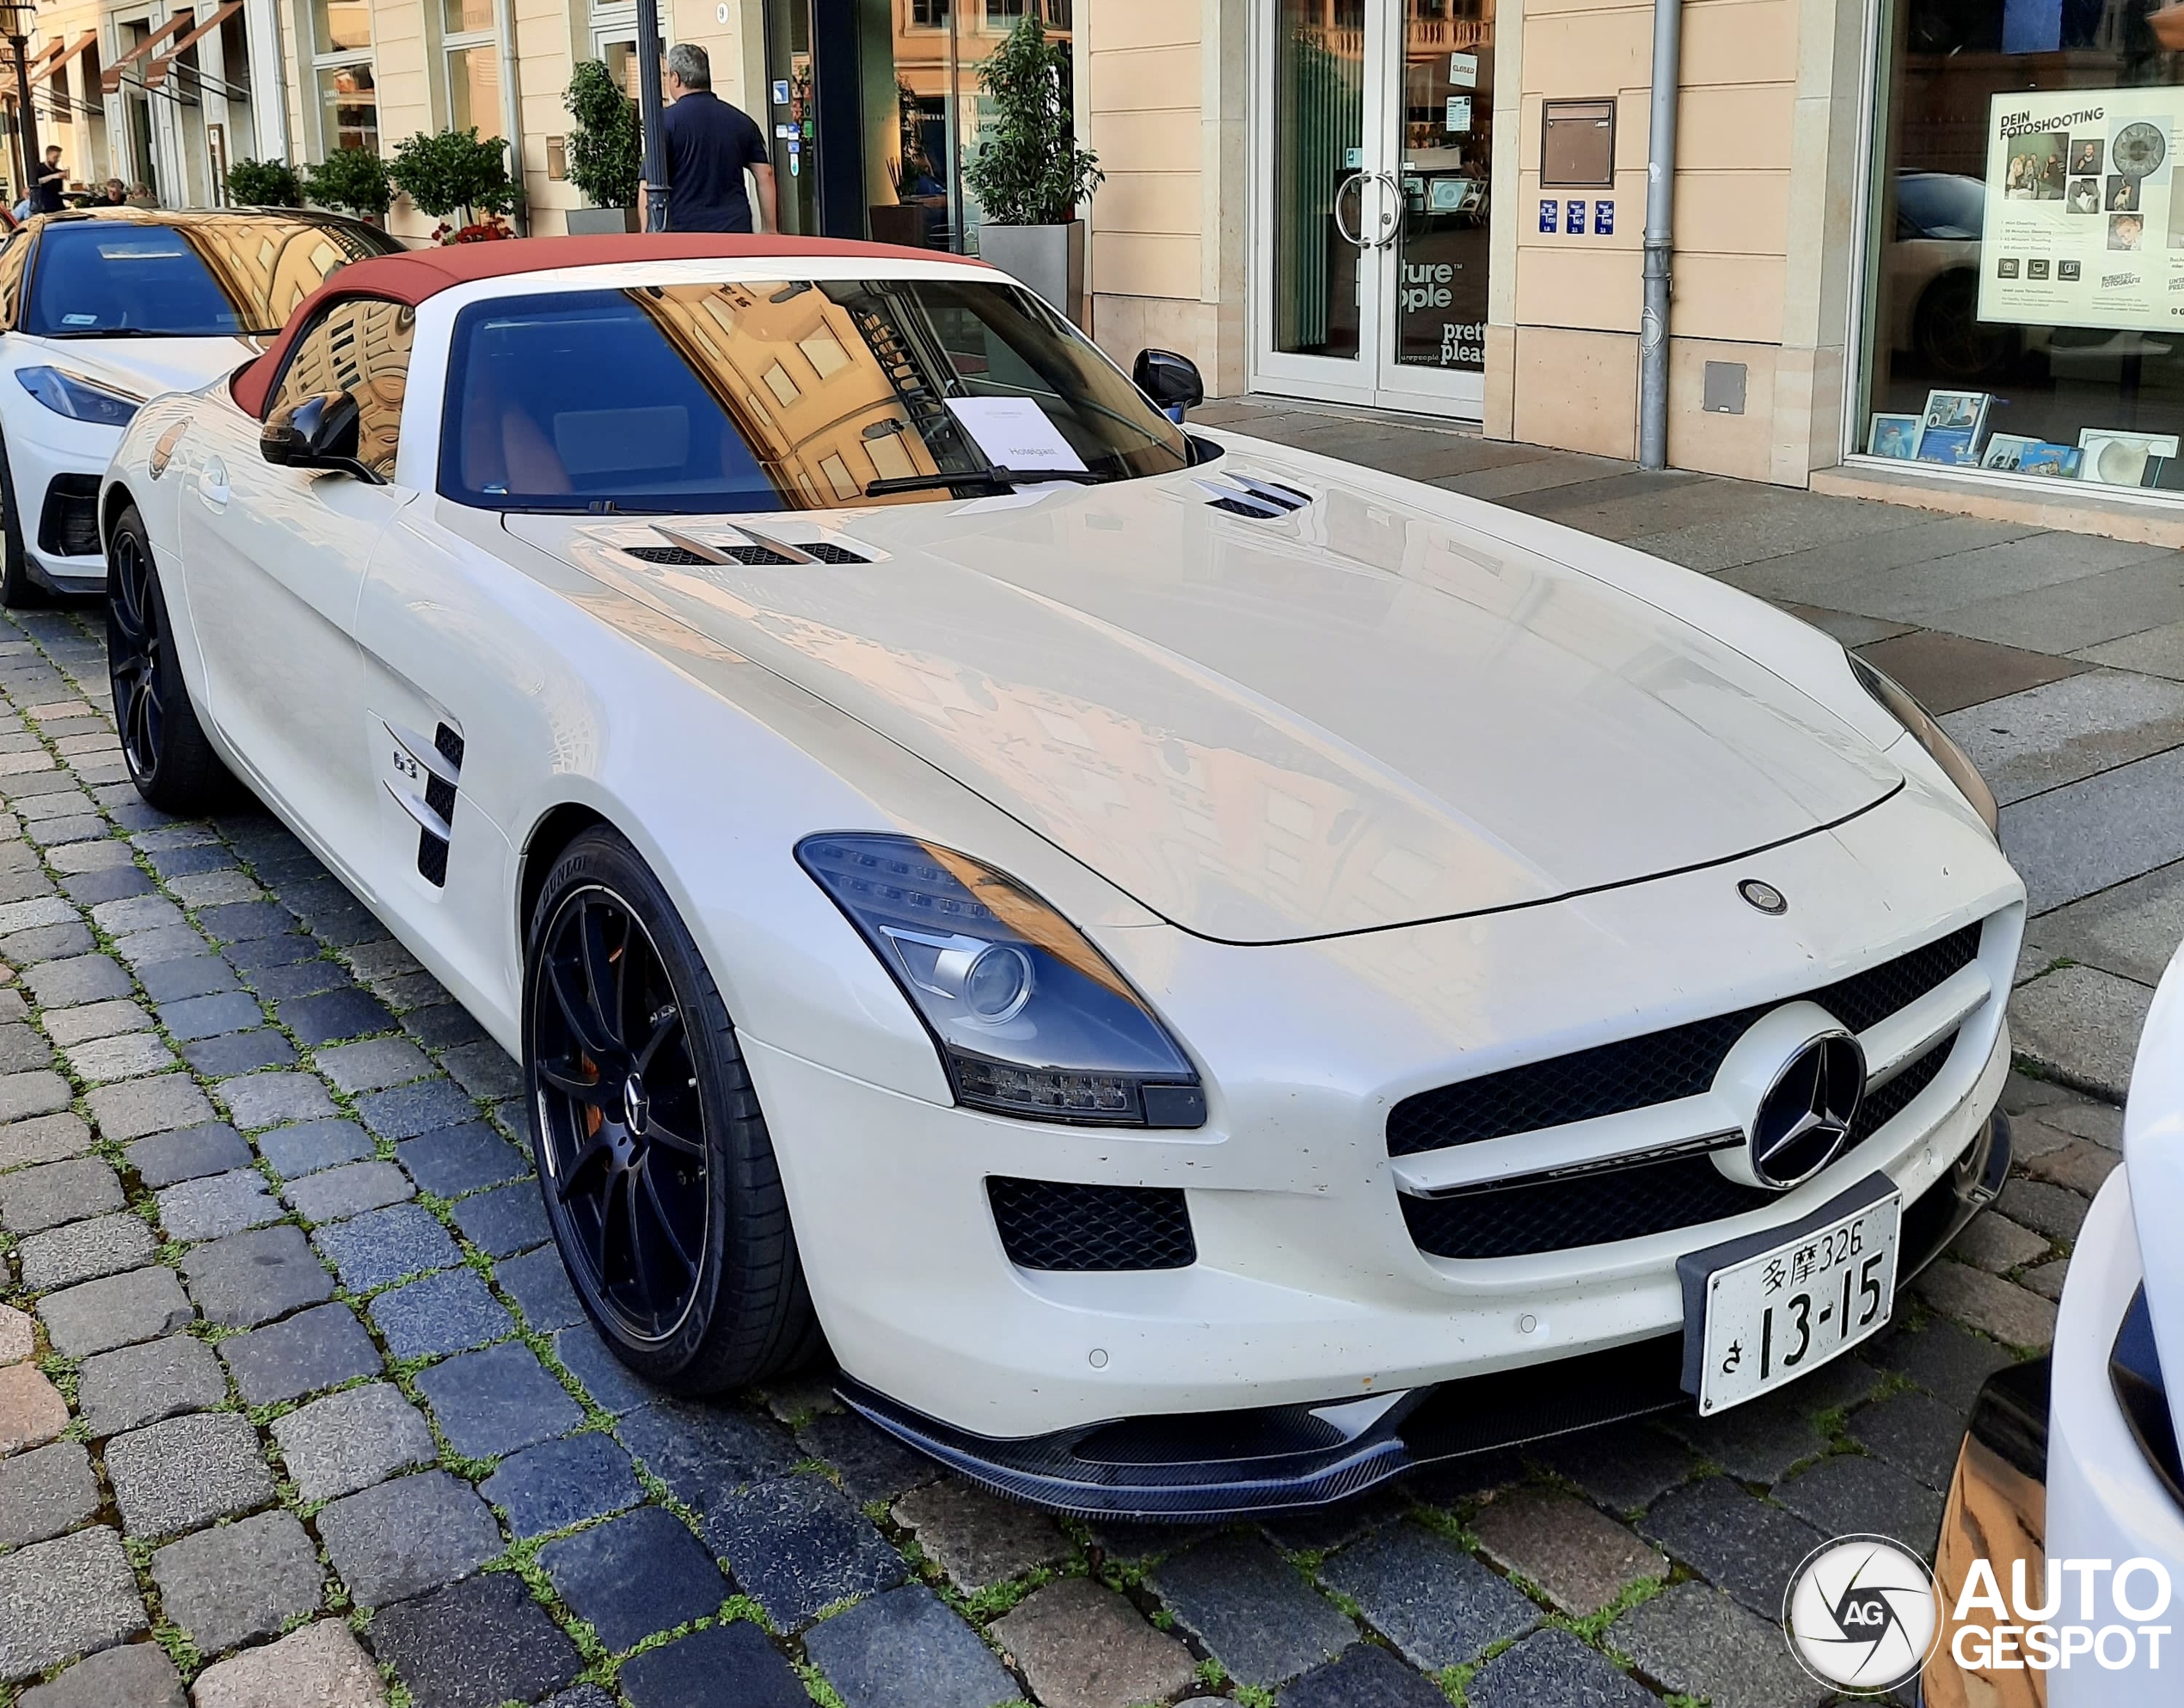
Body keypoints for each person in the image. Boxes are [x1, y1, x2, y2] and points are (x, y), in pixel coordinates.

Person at [653, 43, 776, 234]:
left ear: (675, 78)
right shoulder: (741, 121)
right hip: (735, 228)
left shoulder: (663, 122)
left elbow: (648, 184)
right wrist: (770, 229)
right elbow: (765, 174)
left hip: (685, 230)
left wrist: (648, 235)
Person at [32, 146, 64, 215]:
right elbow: (37, 182)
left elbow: (60, 191)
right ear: (48, 156)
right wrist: (53, 177)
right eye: (55, 157)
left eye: (58, 157)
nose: (57, 160)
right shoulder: (39, 169)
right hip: (44, 207)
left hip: (58, 206)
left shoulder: (58, 172)